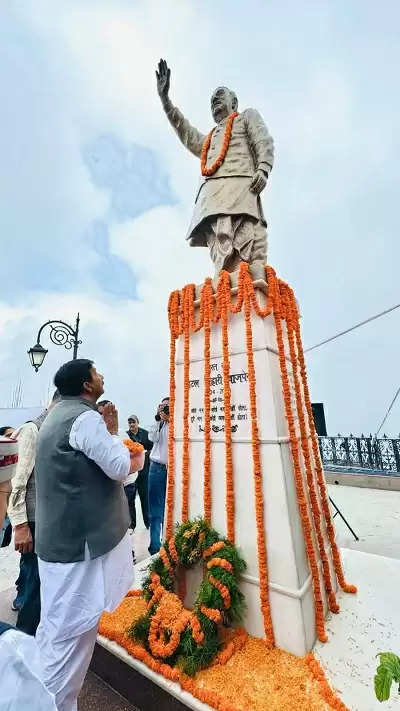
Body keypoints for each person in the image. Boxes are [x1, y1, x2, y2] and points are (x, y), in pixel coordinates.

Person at [35, 359, 144, 711]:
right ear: (86, 385)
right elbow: (119, 466)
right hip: (78, 549)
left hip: (60, 544)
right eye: (97, 373)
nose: (102, 376)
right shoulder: (84, 419)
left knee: (56, 631)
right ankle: (45, 703)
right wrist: (113, 431)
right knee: (71, 637)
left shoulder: (55, 414)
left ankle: (44, 698)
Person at [156, 59, 274, 276]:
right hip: (213, 199)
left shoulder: (246, 117)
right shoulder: (209, 140)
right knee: (221, 246)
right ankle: (227, 285)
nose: (214, 99)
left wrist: (263, 167)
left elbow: (262, 140)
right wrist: (166, 102)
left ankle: (248, 285)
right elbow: (186, 133)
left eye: (220, 94)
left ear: (234, 102)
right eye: (211, 99)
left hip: (242, 188)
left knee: (248, 240)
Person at [7, 392, 60, 633]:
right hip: (34, 522)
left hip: (51, 522)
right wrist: (20, 525)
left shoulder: (56, 432)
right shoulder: (32, 430)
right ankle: (23, 645)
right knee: (33, 588)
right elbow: (18, 482)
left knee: (44, 588)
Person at [148, 397, 169, 555]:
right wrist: (158, 419)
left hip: (174, 469)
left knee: (172, 508)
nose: (166, 410)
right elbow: (152, 438)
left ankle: (169, 542)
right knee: (155, 509)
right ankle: (155, 547)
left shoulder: (178, 423)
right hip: (156, 468)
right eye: (163, 407)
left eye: (169, 406)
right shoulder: (159, 423)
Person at [125, 415, 152, 531]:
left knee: (145, 499)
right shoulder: (126, 435)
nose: (131, 425)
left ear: (138, 422)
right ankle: (132, 525)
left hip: (144, 473)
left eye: (133, 422)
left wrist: (144, 454)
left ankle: (148, 523)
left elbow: (153, 449)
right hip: (131, 474)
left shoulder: (146, 434)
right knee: (130, 500)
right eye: (129, 422)